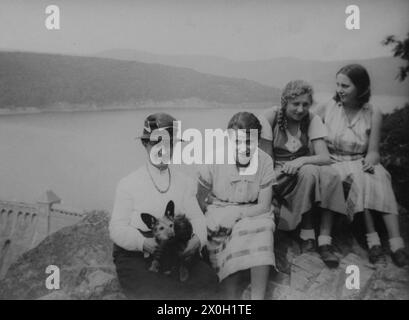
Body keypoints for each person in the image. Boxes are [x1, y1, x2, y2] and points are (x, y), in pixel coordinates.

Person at [109, 112, 220, 299]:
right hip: (138, 255)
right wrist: (143, 243)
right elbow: (116, 228)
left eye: (169, 143)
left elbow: (197, 217)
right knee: (160, 293)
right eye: (156, 142)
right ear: (145, 144)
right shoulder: (128, 183)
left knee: (208, 282)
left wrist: (197, 241)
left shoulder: (184, 182)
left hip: (177, 251)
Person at [315, 64, 409, 267]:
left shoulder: (373, 111)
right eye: (338, 84)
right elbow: (309, 133)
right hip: (333, 161)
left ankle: (396, 243)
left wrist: (370, 161)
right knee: (356, 178)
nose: (340, 90)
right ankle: (371, 241)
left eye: (345, 86)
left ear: (361, 88)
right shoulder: (327, 108)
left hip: (359, 159)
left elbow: (374, 151)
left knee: (379, 174)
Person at [259, 80, 346, 268]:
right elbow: (265, 163)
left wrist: (300, 161)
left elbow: (324, 157)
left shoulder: (311, 119)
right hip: (277, 175)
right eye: (295, 104)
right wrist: (291, 167)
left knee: (330, 174)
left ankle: (324, 239)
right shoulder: (270, 118)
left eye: (305, 104)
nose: (300, 109)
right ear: (284, 102)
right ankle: (307, 233)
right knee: (309, 170)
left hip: (303, 171)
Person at [196, 112, 276, 300]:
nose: (243, 147)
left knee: (262, 229)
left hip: (254, 210)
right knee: (229, 236)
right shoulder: (214, 159)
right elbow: (199, 199)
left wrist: (238, 214)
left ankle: (258, 297)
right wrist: (208, 222)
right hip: (219, 209)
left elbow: (264, 205)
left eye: (249, 141)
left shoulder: (264, 161)